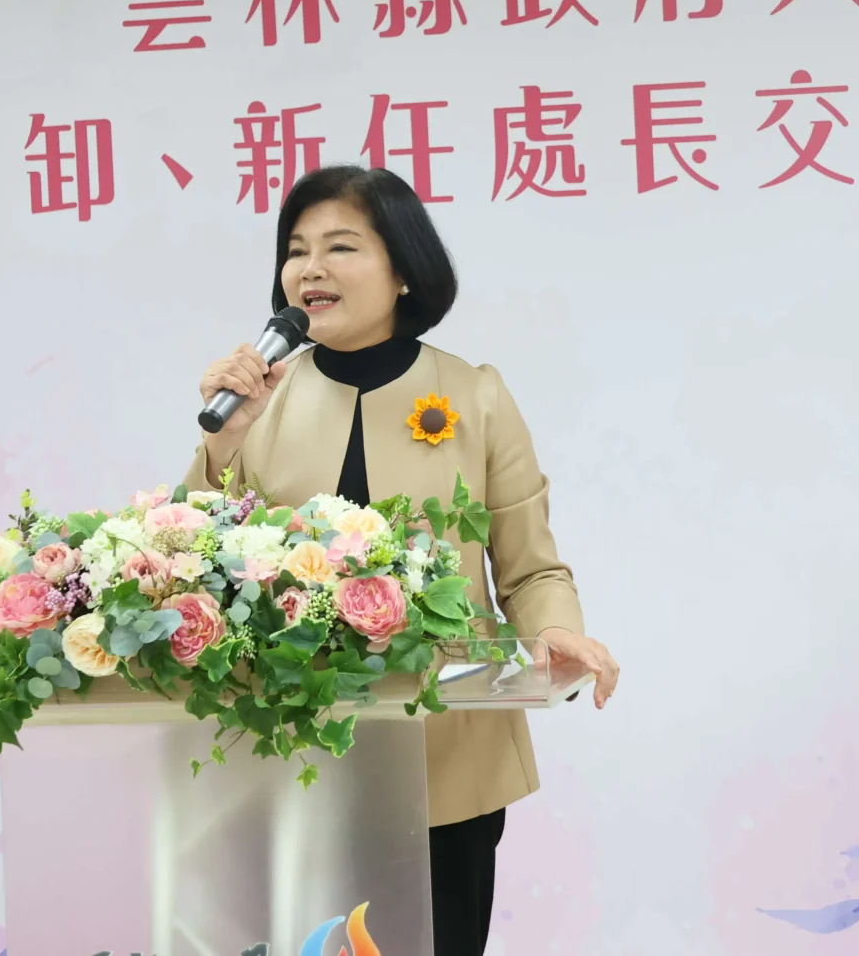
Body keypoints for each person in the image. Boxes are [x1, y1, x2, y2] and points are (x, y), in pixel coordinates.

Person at [185, 164, 620, 956]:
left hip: (446, 753)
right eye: (296, 250)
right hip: (291, 751)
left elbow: (530, 568)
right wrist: (224, 442)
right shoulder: (259, 403)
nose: (309, 268)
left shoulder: (475, 394)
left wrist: (557, 630)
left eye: (340, 246)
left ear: (403, 271)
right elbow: (197, 562)